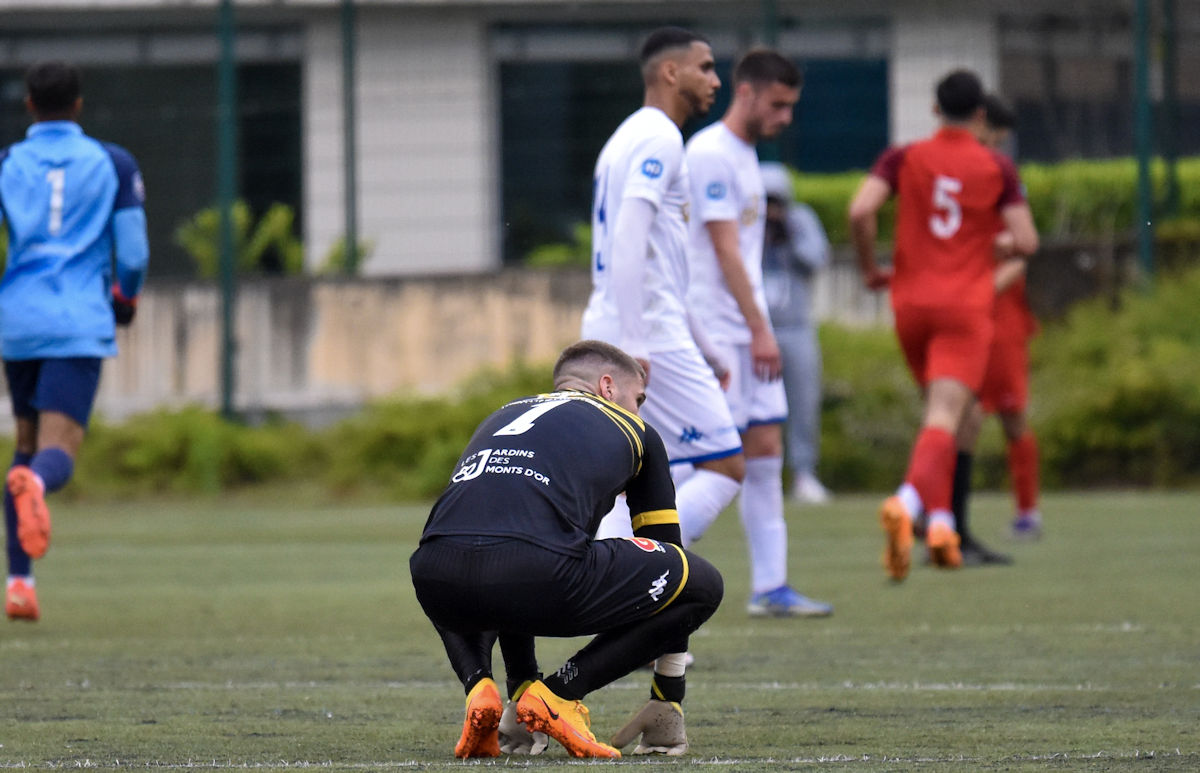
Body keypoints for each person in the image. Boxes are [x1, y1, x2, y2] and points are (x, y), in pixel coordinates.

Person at [409, 340, 724, 759]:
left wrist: (519, 682)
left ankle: (481, 687)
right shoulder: (635, 431)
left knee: (497, 551)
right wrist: (668, 692)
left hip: (435, 580)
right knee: (701, 582)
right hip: (534, 575)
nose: (639, 409)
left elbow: (502, 536)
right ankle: (558, 694)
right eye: (639, 398)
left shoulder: (501, 414)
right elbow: (673, 571)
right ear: (608, 387)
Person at [847, 69, 1038, 582]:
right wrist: (990, 245)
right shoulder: (997, 166)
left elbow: (861, 210)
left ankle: (945, 530)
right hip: (964, 308)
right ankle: (909, 506)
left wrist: (870, 268)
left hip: (910, 306)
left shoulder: (903, 156)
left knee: (957, 417)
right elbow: (1027, 241)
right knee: (946, 417)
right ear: (980, 115)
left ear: (935, 110)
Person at [581, 25, 741, 608]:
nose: (715, 80)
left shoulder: (623, 138)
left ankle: (637, 602)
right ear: (670, 73)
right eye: (706, 67)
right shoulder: (661, 139)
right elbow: (629, 235)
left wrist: (704, 340)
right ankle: (630, 588)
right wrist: (634, 339)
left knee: (634, 481)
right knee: (726, 464)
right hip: (644, 331)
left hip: (623, 320)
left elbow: (661, 261)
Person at [682, 48, 831, 617]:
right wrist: (758, 327)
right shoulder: (710, 153)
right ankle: (648, 564)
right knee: (714, 462)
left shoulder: (746, 157)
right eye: (779, 104)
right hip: (719, 334)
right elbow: (725, 252)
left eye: (791, 105)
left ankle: (771, 587)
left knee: (764, 448)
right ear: (746, 93)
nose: (786, 116)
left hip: (748, 330)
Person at [0, 60, 148, 621]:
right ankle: (35, 481)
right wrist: (125, 299)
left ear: (30, 105)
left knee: (25, 442)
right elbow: (132, 254)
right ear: (79, 105)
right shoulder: (112, 162)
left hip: (18, 323)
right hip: (76, 321)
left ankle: (20, 583)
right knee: (53, 455)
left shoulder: (8, 163)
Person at [951, 93, 1042, 562]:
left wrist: (981, 290)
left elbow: (1022, 251)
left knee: (1008, 413)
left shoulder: (1001, 178)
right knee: (953, 414)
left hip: (998, 319)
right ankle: (940, 518)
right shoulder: (957, 175)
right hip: (957, 314)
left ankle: (1027, 509)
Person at [760, 161, 833, 505]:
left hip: (796, 327)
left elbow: (817, 259)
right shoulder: (748, 223)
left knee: (804, 404)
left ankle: (804, 473)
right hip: (758, 332)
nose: (772, 210)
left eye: (777, 202)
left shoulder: (800, 220)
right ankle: (755, 476)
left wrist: (788, 238)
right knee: (755, 409)